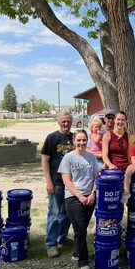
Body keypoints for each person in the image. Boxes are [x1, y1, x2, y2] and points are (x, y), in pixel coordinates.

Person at [58, 129, 99, 269]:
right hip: (73, 198)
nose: (81, 143)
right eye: (78, 140)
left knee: (79, 230)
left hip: (90, 197)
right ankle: (83, 263)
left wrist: (93, 193)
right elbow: (66, 181)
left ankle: (76, 252)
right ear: (74, 141)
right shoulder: (68, 158)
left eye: (84, 140)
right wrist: (80, 196)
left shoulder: (91, 157)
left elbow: (96, 177)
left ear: (87, 140)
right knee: (81, 230)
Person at [41, 111, 74, 258]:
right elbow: (45, 160)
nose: (66, 124)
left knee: (67, 213)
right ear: (59, 122)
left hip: (71, 183)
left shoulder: (74, 138)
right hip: (56, 182)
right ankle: (51, 244)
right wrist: (48, 181)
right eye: (64, 121)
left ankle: (62, 237)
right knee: (54, 213)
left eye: (68, 121)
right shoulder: (52, 138)